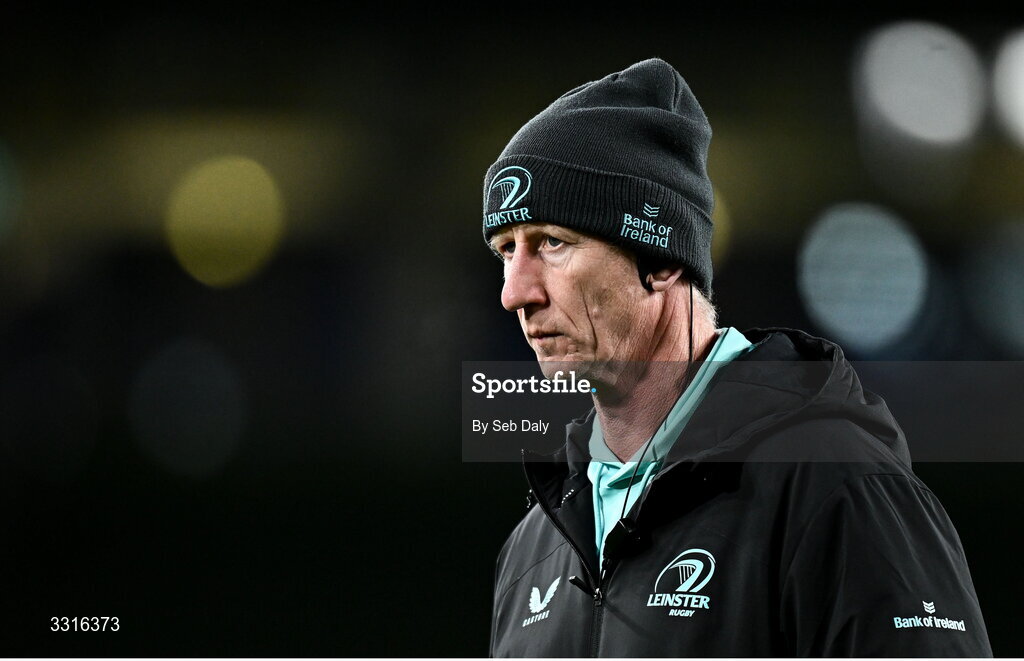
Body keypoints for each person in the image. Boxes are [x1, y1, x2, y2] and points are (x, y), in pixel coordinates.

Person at [481, 58, 992, 657]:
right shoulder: (533, 549)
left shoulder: (839, 487)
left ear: (662, 260)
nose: (515, 292)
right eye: (506, 250)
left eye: (553, 243)